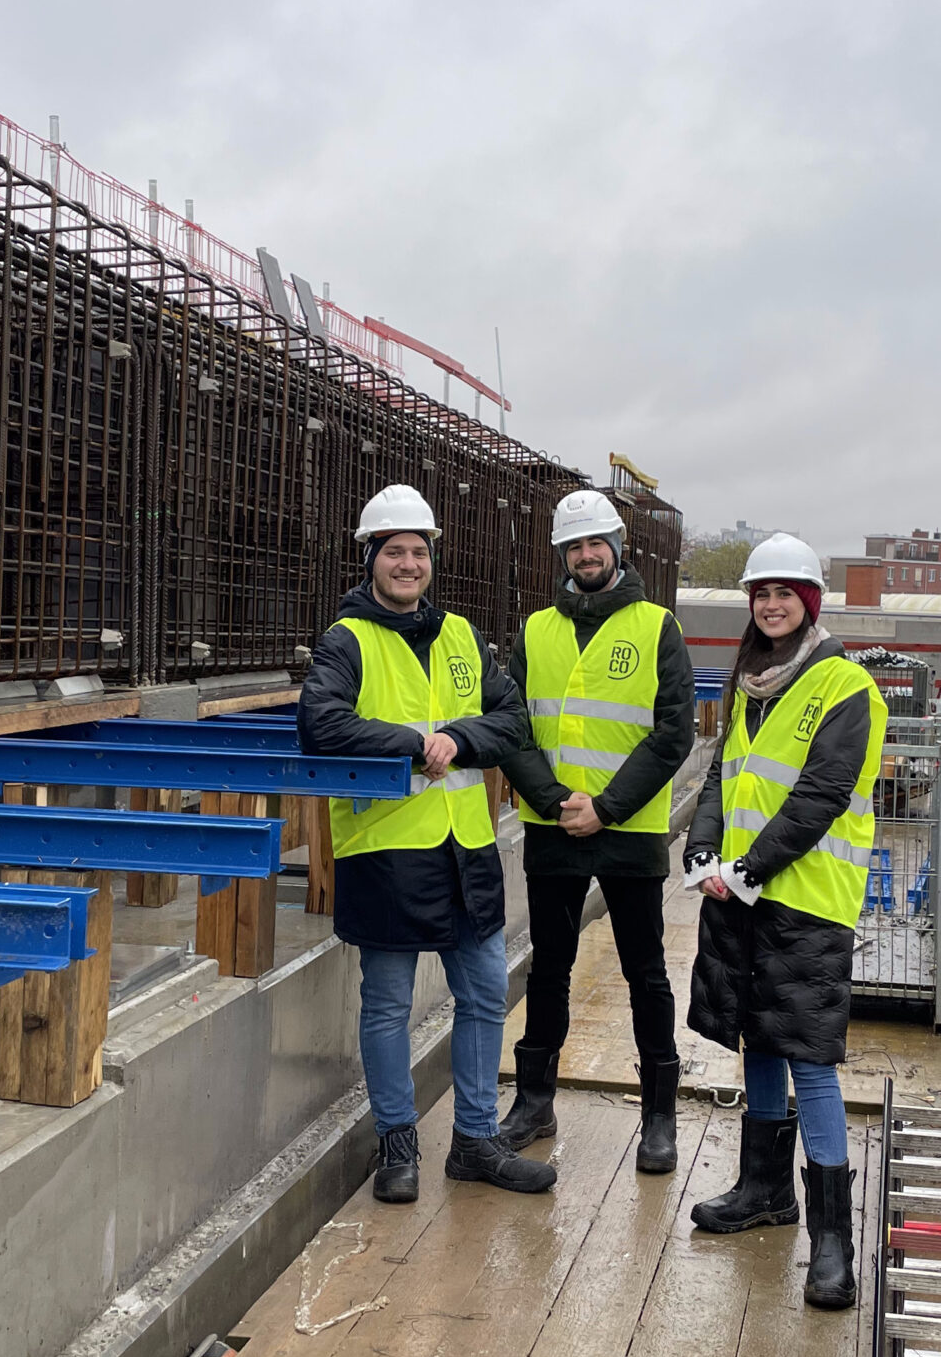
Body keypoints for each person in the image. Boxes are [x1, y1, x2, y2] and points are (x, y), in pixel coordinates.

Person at [298, 485, 554, 1204]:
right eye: (395, 552)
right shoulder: (347, 640)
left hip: (465, 848)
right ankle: (397, 1142)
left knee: (484, 992)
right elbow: (321, 723)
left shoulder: (462, 636)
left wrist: (460, 738)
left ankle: (474, 1140)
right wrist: (416, 744)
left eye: (418, 552)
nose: (408, 564)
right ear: (371, 558)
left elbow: (512, 720)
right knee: (387, 1004)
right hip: (386, 851)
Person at [682, 533, 888, 1310]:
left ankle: (833, 1243)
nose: (771, 606)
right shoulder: (752, 683)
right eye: (760, 594)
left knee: (809, 1059)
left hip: (806, 899)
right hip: (741, 891)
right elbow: (723, 775)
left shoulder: (845, 686)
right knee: (757, 1037)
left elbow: (820, 795)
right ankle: (764, 1189)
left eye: (784, 594)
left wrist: (748, 869)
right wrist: (704, 849)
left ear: (809, 603)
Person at [498, 489, 696, 1174]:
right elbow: (512, 727)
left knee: (646, 972)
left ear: (617, 548)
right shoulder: (535, 631)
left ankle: (659, 1116)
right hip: (553, 823)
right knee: (549, 967)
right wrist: (556, 800)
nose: (586, 555)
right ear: (563, 554)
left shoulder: (656, 627)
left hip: (628, 828)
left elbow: (673, 733)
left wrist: (606, 807)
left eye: (595, 544)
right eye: (574, 546)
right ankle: (534, 1101)